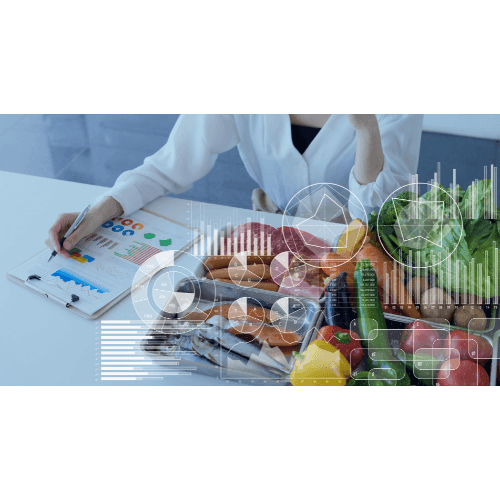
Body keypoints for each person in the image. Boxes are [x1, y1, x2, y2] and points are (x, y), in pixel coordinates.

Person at [46, 114, 424, 259]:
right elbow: (169, 165)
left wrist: (365, 127)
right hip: (278, 243)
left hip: (366, 252)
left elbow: (379, 214)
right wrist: (102, 207)